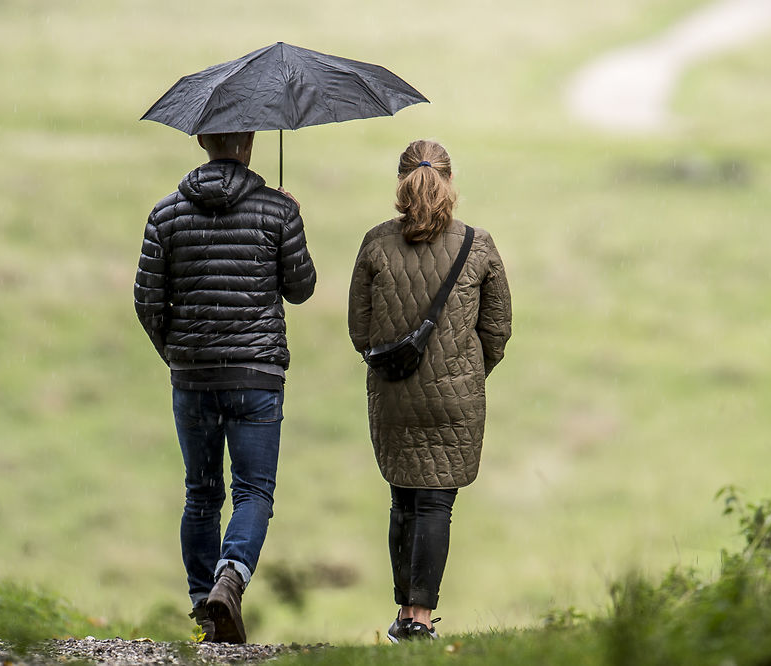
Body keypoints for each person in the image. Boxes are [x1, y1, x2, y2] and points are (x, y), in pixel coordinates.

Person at [134, 131, 316, 643]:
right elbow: (301, 289)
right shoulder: (277, 211)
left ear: (201, 140)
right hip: (257, 376)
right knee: (253, 490)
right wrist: (292, 218)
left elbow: (147, 302)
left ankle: (202, 606)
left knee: (201, 492)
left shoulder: (165, 213)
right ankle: (230, 579)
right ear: (251, 143)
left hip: (192, 378)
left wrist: (179, 355)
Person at [347, 139, 512, 642]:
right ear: (450, 181)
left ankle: (402, 617)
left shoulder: (376, 243)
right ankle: (421, 619)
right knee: (435, 505)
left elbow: (360, 329)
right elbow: (498, 330)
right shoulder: (478, 245)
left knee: (403, 502)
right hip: (456, 399)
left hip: (394, 395)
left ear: (401, 183)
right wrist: (464, 371)